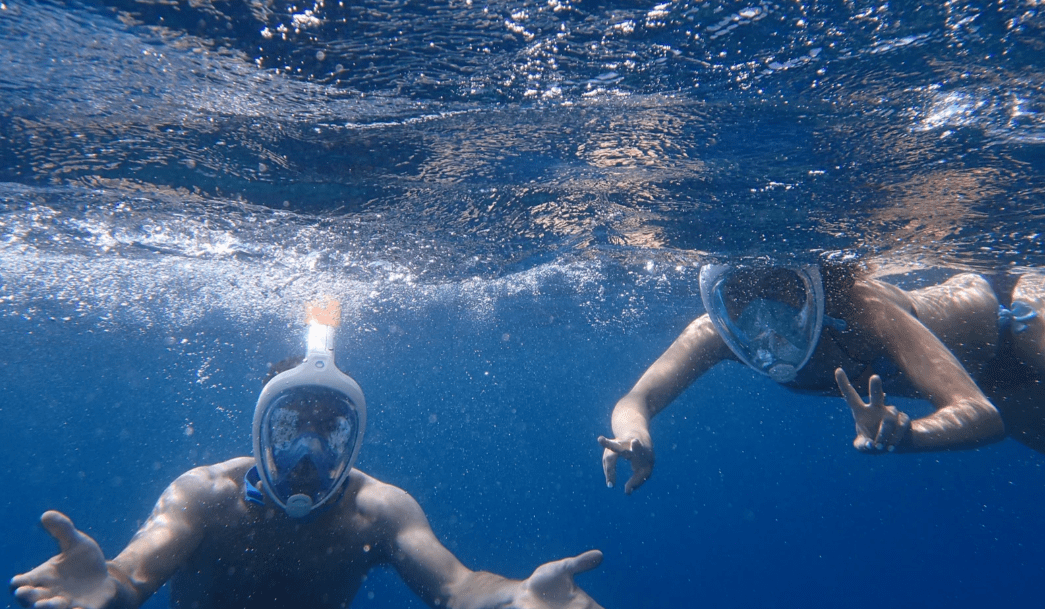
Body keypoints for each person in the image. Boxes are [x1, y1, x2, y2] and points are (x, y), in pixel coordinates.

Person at [11, 299, 606, 609]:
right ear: (260, 430)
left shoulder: (378, 513)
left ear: (355, 439)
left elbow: (457, 589)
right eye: (291, 428)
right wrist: (107, 588)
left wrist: (514, 597)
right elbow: (134, 573)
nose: (306, 455)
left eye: (329, 433)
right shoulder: (206, 497)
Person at [599, 261, 1045, 494]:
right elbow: (636, 400)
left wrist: (910, 434)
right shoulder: (717, 333)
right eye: (739, 293)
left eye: (775, 286)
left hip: (1020, 324)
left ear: (813, 282)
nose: (762, 313)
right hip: (1002, 383)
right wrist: (635, 436)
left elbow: (977, 414)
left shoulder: (865, 309)